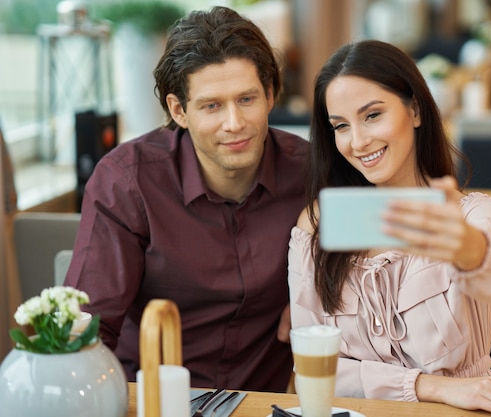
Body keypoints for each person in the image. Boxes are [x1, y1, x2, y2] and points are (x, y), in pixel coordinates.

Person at [287, 39, 491, 417]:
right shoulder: (319, 225)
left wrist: (465, 250)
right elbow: (312, 367)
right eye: (340, 126)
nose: (357, 141)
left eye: (372, 115)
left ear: (416, 111)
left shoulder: (473, 216)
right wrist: (432, 387)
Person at [64, 6, 308, 392]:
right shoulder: (128, 183)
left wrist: (319, 296)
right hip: (149, 397)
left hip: (264, 401)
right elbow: (86, 329)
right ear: (179, 110)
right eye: (212, 105)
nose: (234, 123)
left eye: (247, 99)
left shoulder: (312, 173)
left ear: (271, 95)